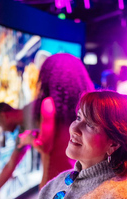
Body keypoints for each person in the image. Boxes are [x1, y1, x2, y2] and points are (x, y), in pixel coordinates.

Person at [19, 53, 94, 189]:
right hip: (83, 178)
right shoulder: (86, 106)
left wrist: (29, 139)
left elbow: (45, 146)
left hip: (56, 181)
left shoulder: (49, 105)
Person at [0, 101, 37, 199]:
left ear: (3, 116)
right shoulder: (23, 132)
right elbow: (11, 164)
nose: (3, 129)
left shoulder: (34, 109)